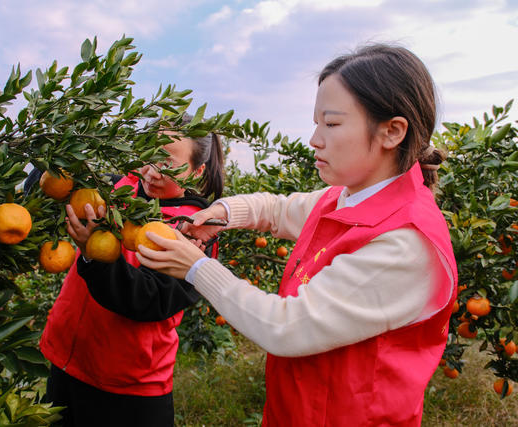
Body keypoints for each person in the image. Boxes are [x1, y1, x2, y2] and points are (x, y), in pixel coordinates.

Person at [136, 44, 458, 426]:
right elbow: (275, 209)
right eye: (316, 122)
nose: (315, 139)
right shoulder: (348, 199)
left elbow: (285, 327)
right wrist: (222, 214)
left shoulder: (405, 243)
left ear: (392, 131)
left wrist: (197, 268)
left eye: (332, 124)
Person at [39, 115, 224, 427]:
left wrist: (92, 257)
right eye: (149, 156)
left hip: (129, 388)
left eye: (167, 163)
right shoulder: (115, 188)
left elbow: (151, 299)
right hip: (67, 362)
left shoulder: (194, 231)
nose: (151, 172)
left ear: (197, 170)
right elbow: (54, 193)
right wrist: (51, 168)